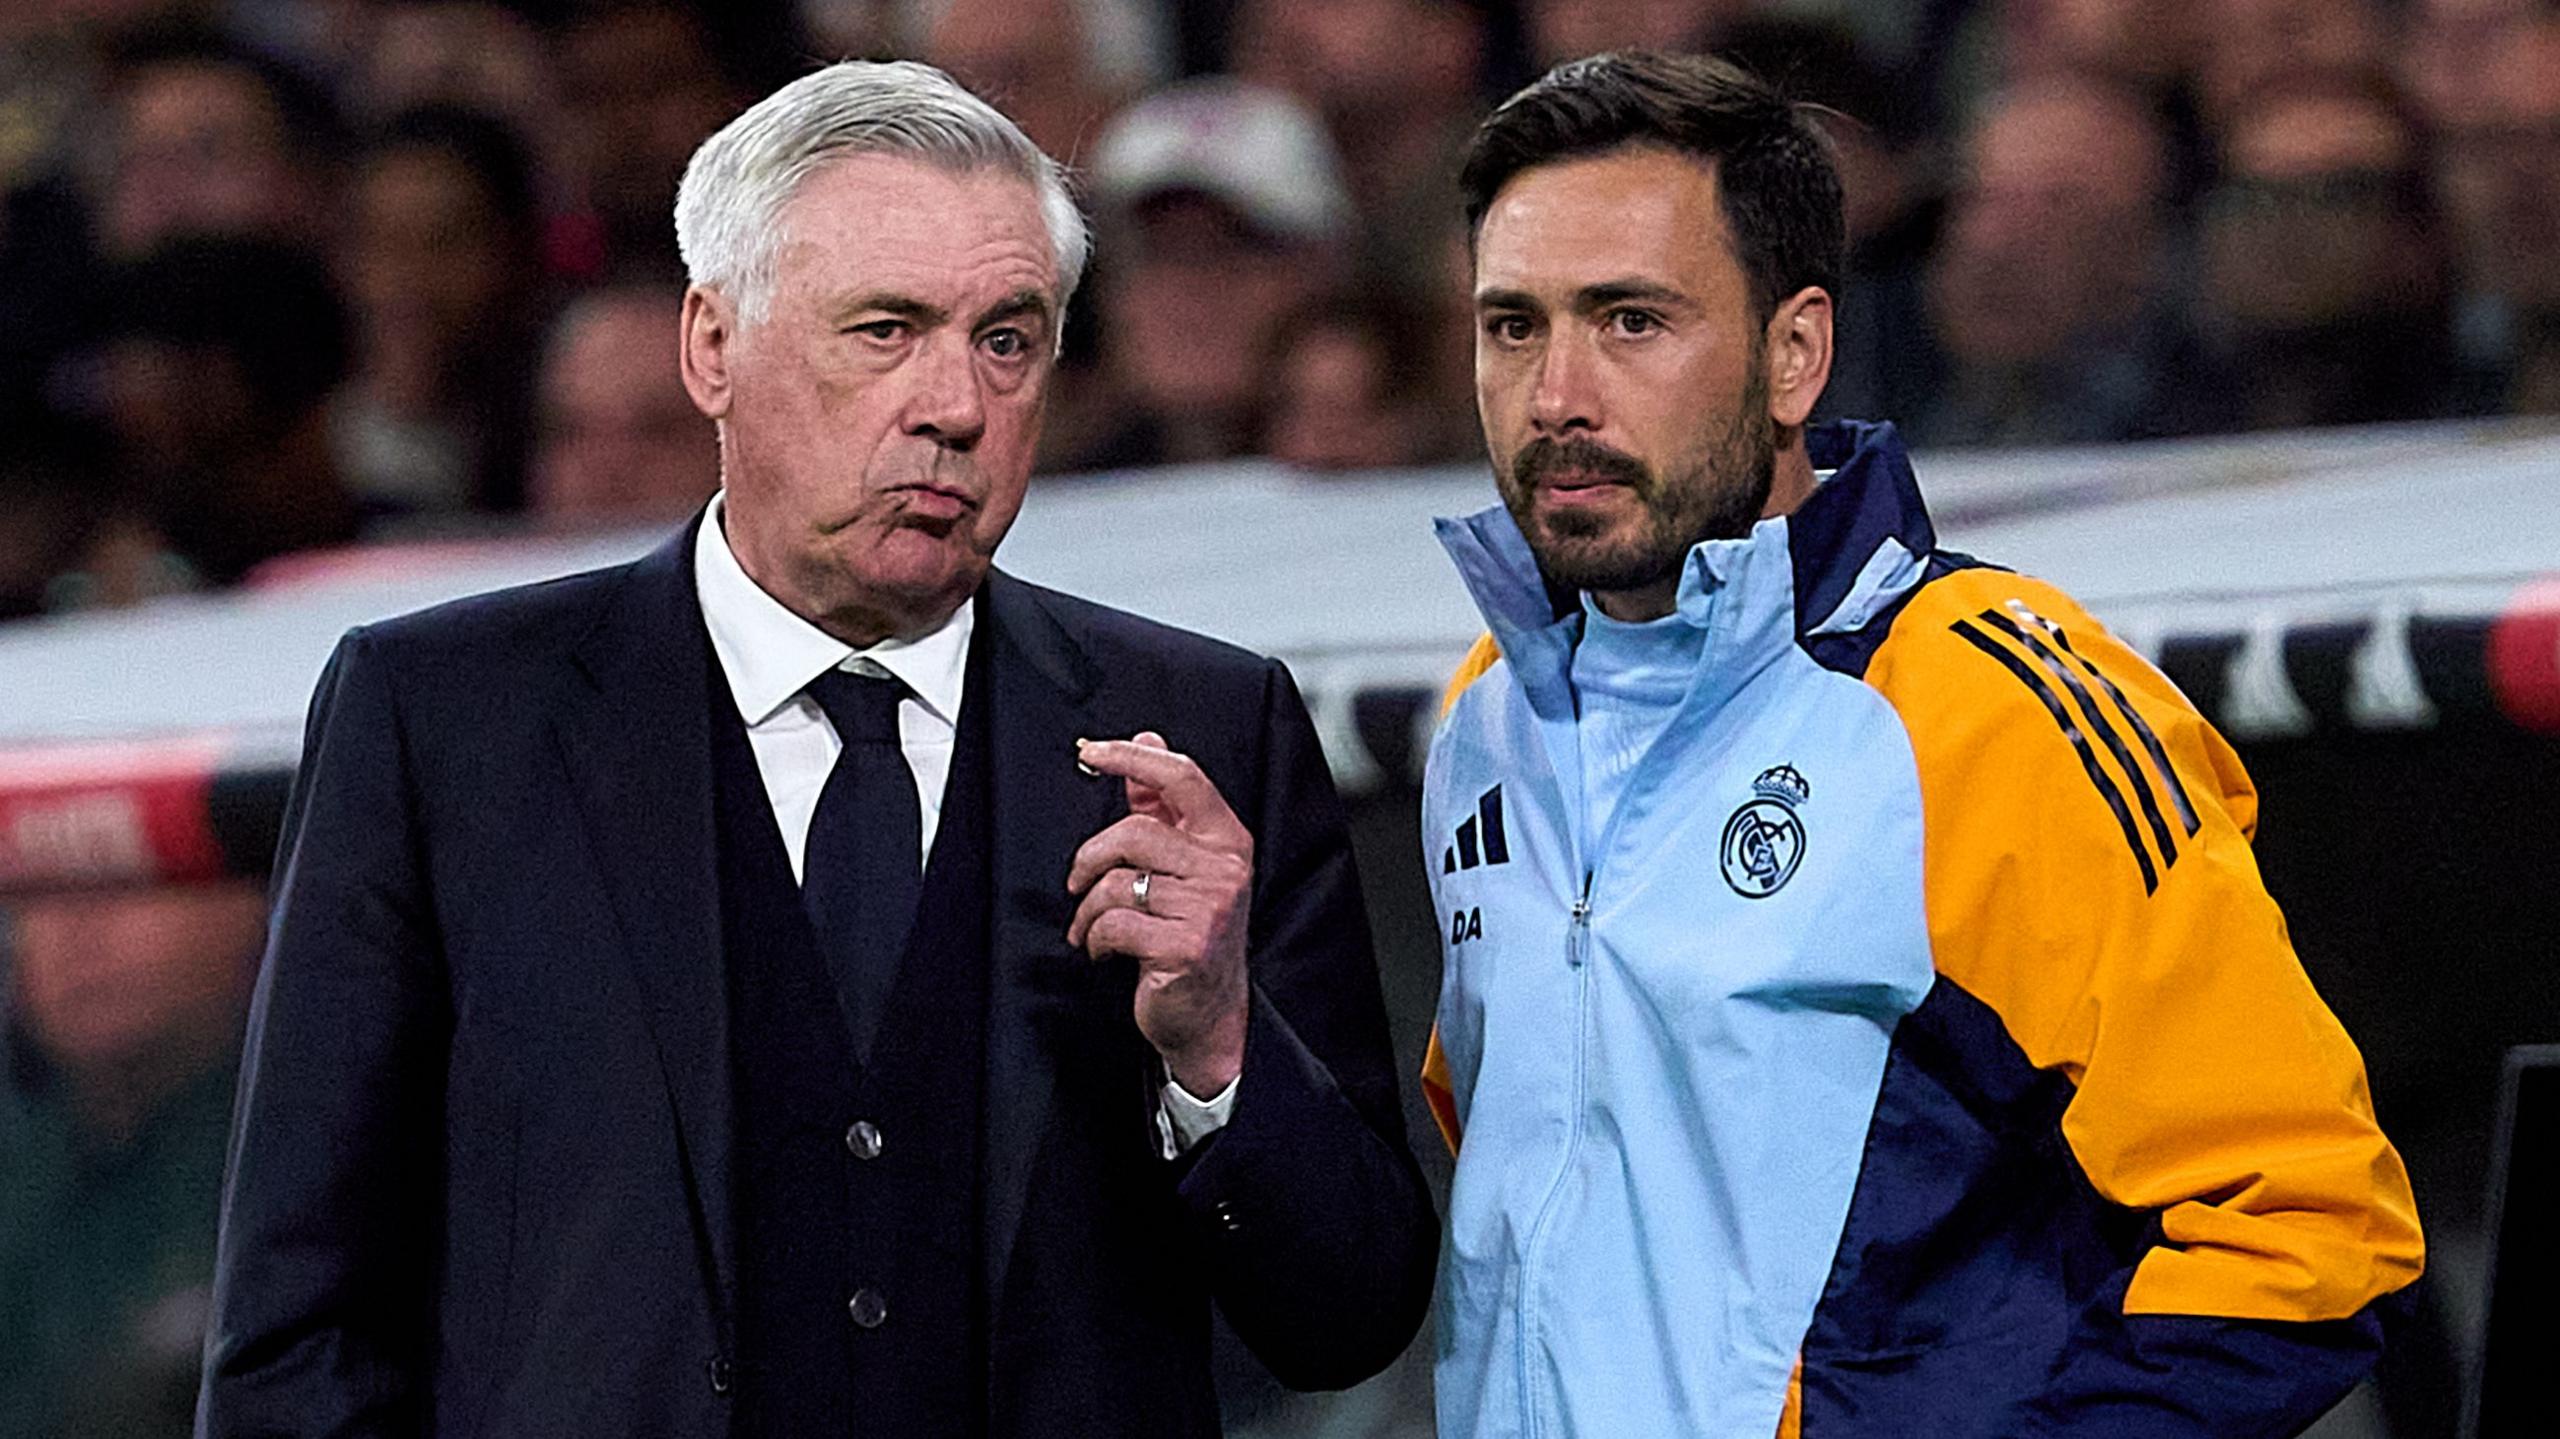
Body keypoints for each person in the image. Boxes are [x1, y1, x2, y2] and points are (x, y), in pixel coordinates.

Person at [195, 60, 1437, 1438]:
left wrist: (1219, 1051)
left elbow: (1354, 1314)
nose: (956, 406)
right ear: (712, 347)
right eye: (887, 330)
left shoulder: (1201, 732)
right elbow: (299, 1338)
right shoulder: (441, 723)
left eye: (1008, 339)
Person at [1418, 51, 2423, 1437]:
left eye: (1631, 321)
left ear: (1796, 353)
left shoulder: (1989, 708)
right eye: (1512, 327)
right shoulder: (1489, 708)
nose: (1556, 395)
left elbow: (2304, 1227)